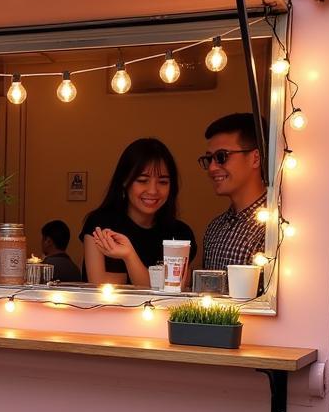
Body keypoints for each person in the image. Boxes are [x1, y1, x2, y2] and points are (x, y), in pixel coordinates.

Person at [80, 138, 196, 287]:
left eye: (163, 182)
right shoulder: (100, 224)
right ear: (124, 181)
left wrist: (129, 257)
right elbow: (99, 284)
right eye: (142, 180)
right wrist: (153, 278)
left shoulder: (180, 234)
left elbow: (174, 290)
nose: (153, 191)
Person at [199, 113, 268, 270]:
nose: (212, 168)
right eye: (209, 159)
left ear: (255, 158)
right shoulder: (215, 228)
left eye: (221, 156)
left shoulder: (274, 226)